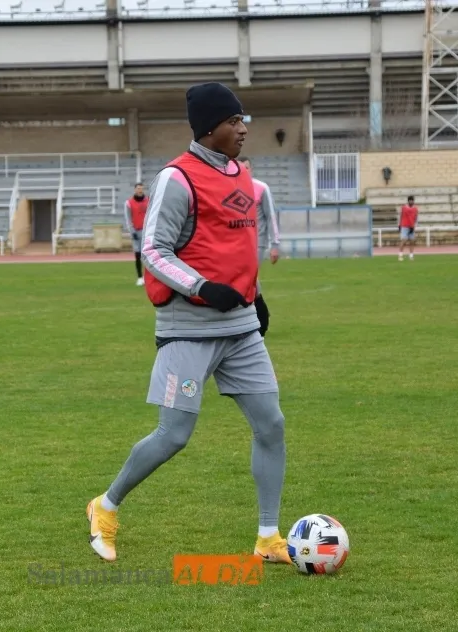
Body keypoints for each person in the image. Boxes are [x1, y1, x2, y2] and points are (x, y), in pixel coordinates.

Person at [86, 82, 290, 567]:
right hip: (188, 327)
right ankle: (105, 506)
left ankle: (267, 538)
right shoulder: (175, 179)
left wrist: (255, 298)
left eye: (244, 120)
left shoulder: (243, 174)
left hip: (240, 328)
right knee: (174, 435)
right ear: (208, 128)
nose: (243, 129)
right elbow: (154, 250)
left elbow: (234, 247)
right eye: (234, 121)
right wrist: (200, 287)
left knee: (272, 426)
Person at [240, 159, 280, 338]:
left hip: (257, 243)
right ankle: (254, 320)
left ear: (251, 168)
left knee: (249, 280)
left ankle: (261, 321)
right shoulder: (227, 188)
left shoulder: (261, 188)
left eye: (246, 167)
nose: (243, 170)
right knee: (246, 281)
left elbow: (270, 216)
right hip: (236, 245)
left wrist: (275, 244)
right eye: (240, 167)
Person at [124, 182, 149, 286]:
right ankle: (139, 277)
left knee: (148, 255)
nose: (140, 190)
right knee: (138, 255)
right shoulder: (129, 203)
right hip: (136, 231)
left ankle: (149, 277)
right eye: (138, 188)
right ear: (135, 189)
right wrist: (132, 231)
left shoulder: (148, 201)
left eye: (141, 188)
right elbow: (128, 218)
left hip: (147, 231)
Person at [398, 195, 419, 262]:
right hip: (404, 226)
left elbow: (416, 218)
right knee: (403, 240)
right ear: (408, 201)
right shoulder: (404, 208)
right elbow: (401, 216)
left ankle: (411, 256)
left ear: (413, 201)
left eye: (412, 200)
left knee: (412, 241)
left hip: (411, 227)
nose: (411, 202)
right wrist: (399, 225)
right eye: (410, 200)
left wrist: (414, 226)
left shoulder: (415, 208)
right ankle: (400, 255)